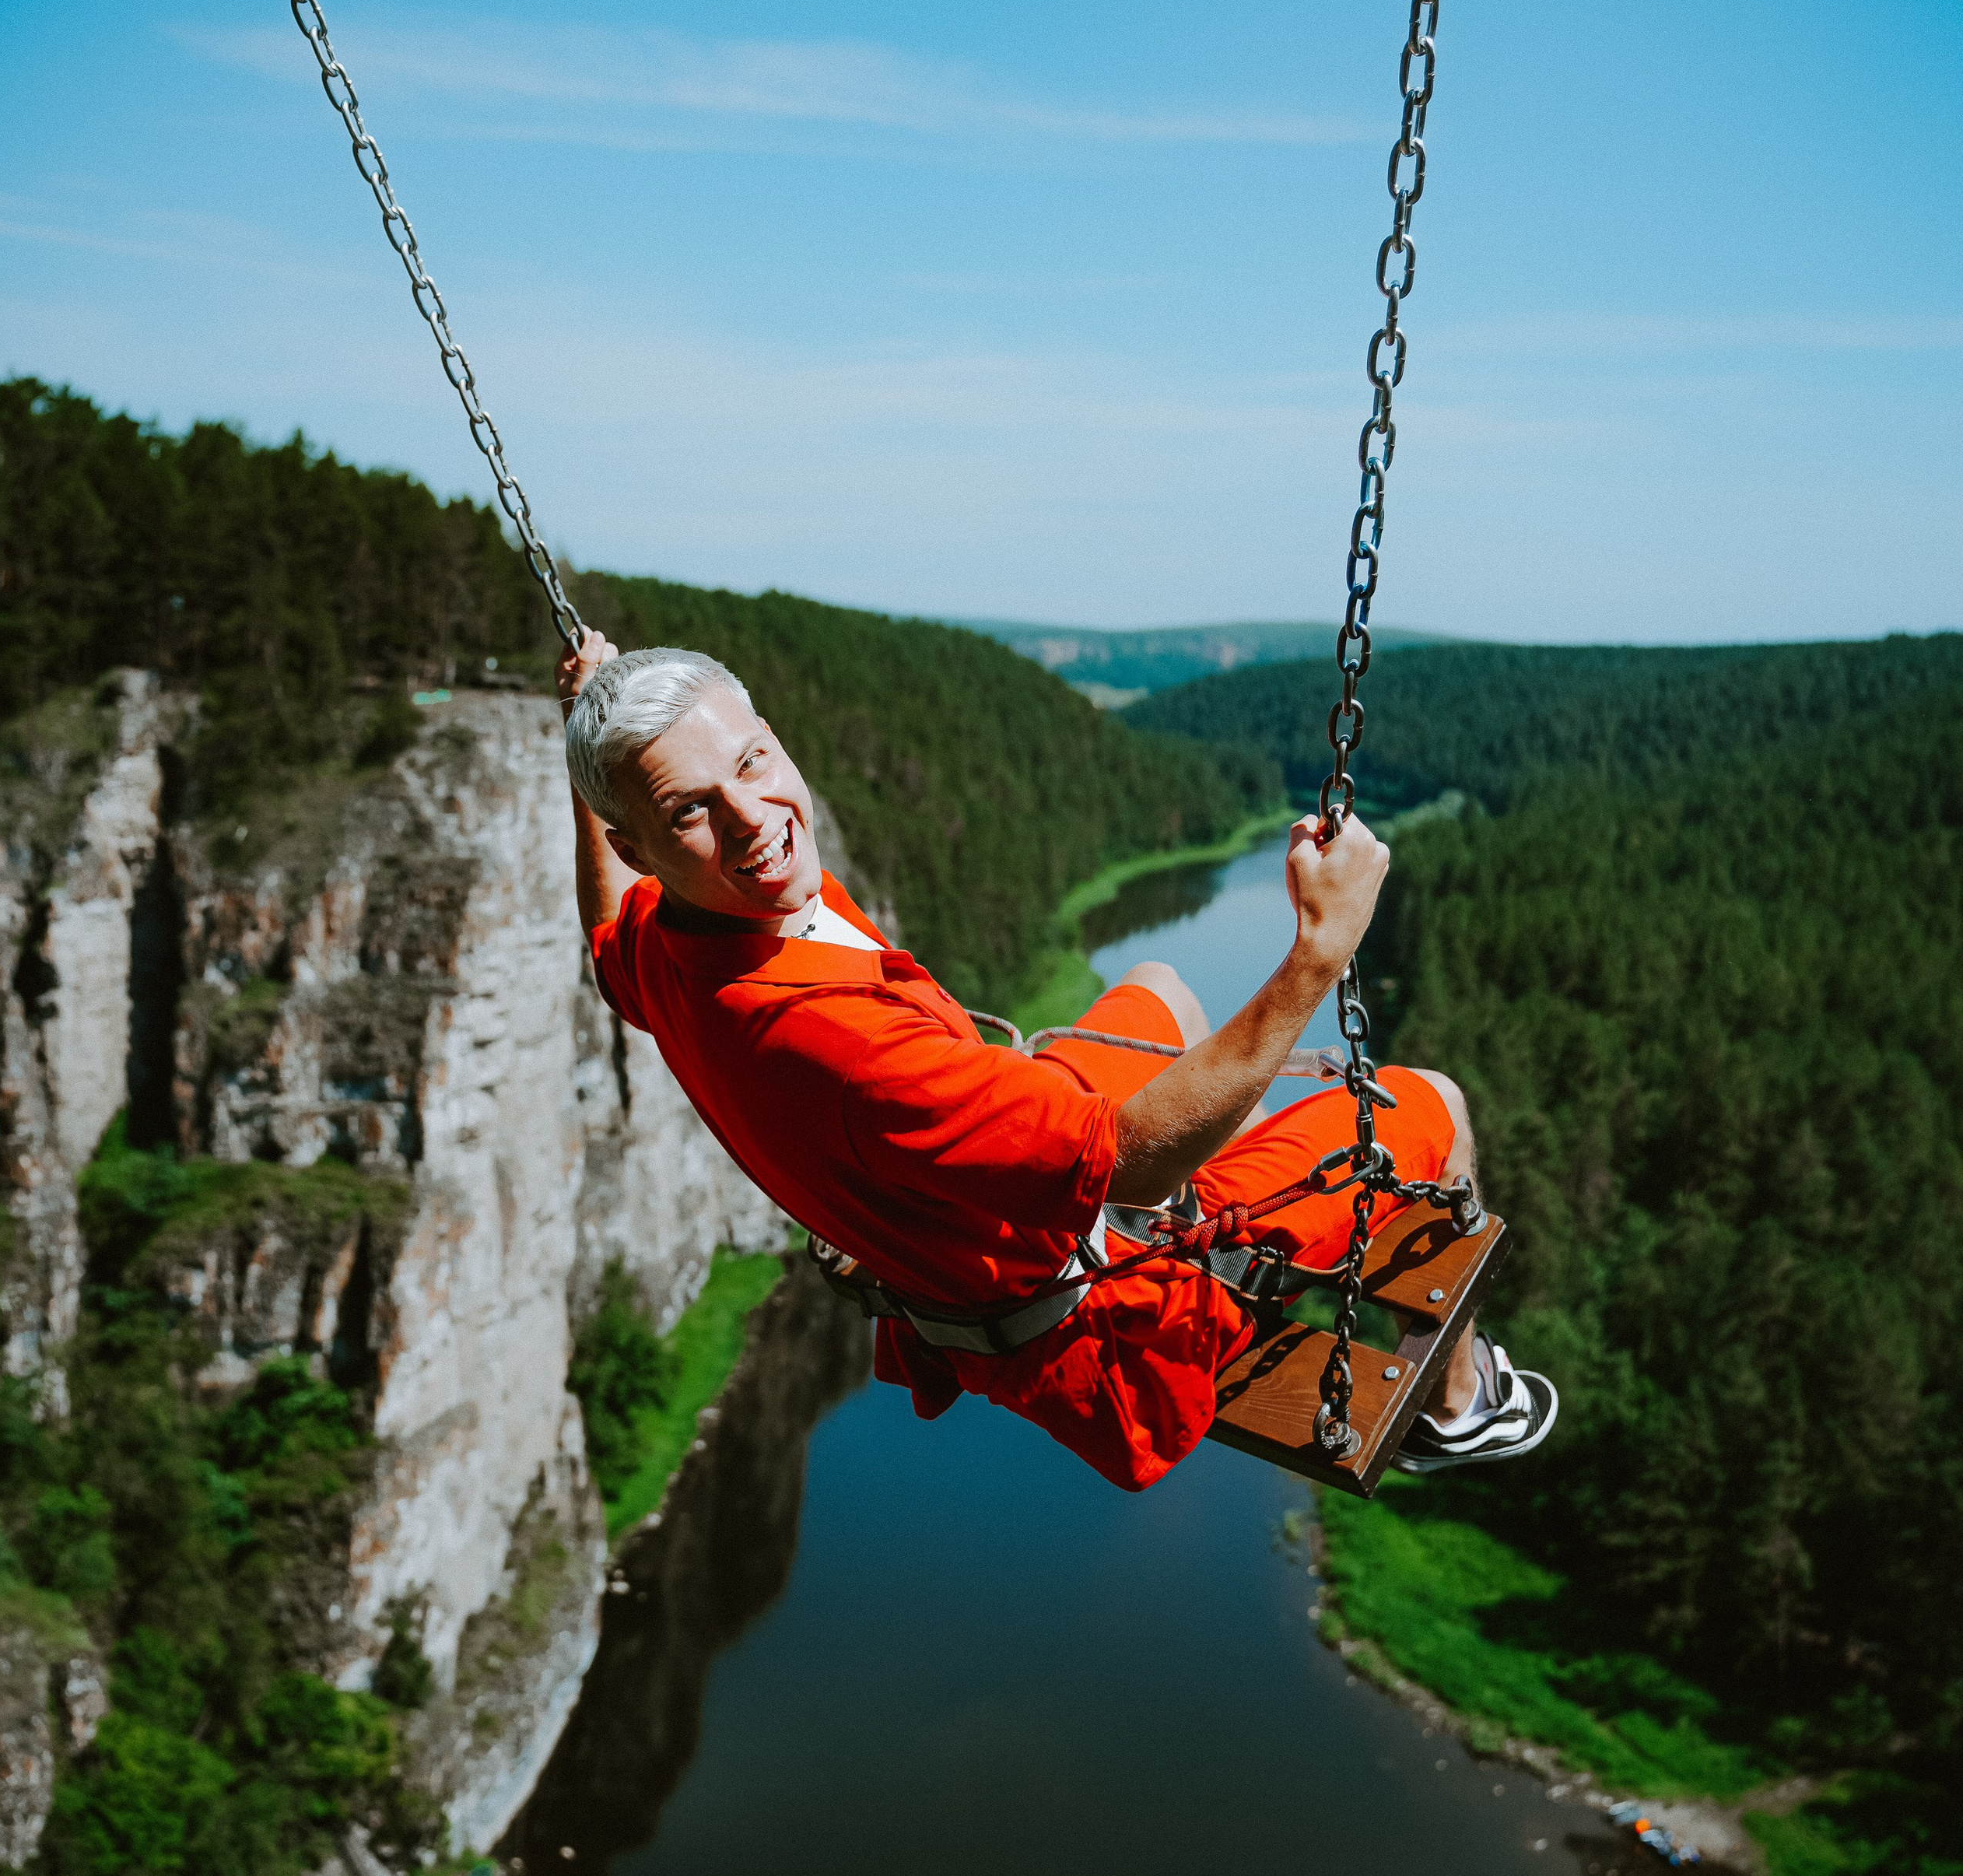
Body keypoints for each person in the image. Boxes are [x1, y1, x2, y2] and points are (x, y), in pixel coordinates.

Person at [560, 634, 1556, 1495]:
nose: (752, 819)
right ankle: (1455, 1403)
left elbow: (605, 934)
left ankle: (1241, 1199)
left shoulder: (666, 937)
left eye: (753, 761)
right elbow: (1126, 1159)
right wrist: (1318, 953)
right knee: (1427, 1104)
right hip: (1090, 1315)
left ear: (773, 736)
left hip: (972, 1224)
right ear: (643, 844)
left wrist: (589, 724)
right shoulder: (836, 1043)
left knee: (1161, 986)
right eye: (692, 810)